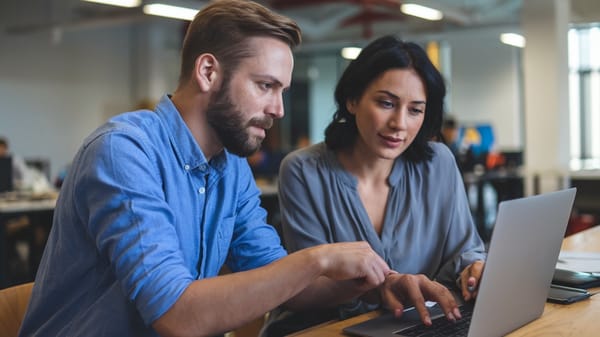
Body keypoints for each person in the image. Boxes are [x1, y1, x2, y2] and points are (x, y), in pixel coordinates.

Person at [18, 1, 396, 336]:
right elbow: (177, 317)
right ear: (208, 72)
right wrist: (319, 258)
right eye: (266, 86)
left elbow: (287, 285)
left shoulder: (231, 167)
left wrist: (377, 283)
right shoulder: (124, 151)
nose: (278, 110)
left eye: (282, 91)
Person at [262, 35, 487, 336]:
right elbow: (309, 285)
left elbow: (466, 249)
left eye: (415, 110)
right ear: (352, 100)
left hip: (415, 325)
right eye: (386, 103)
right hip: (325, 329)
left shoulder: (438, 163)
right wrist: (382, 288)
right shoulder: (304, 170)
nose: (400, 123)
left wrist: (472, 271)